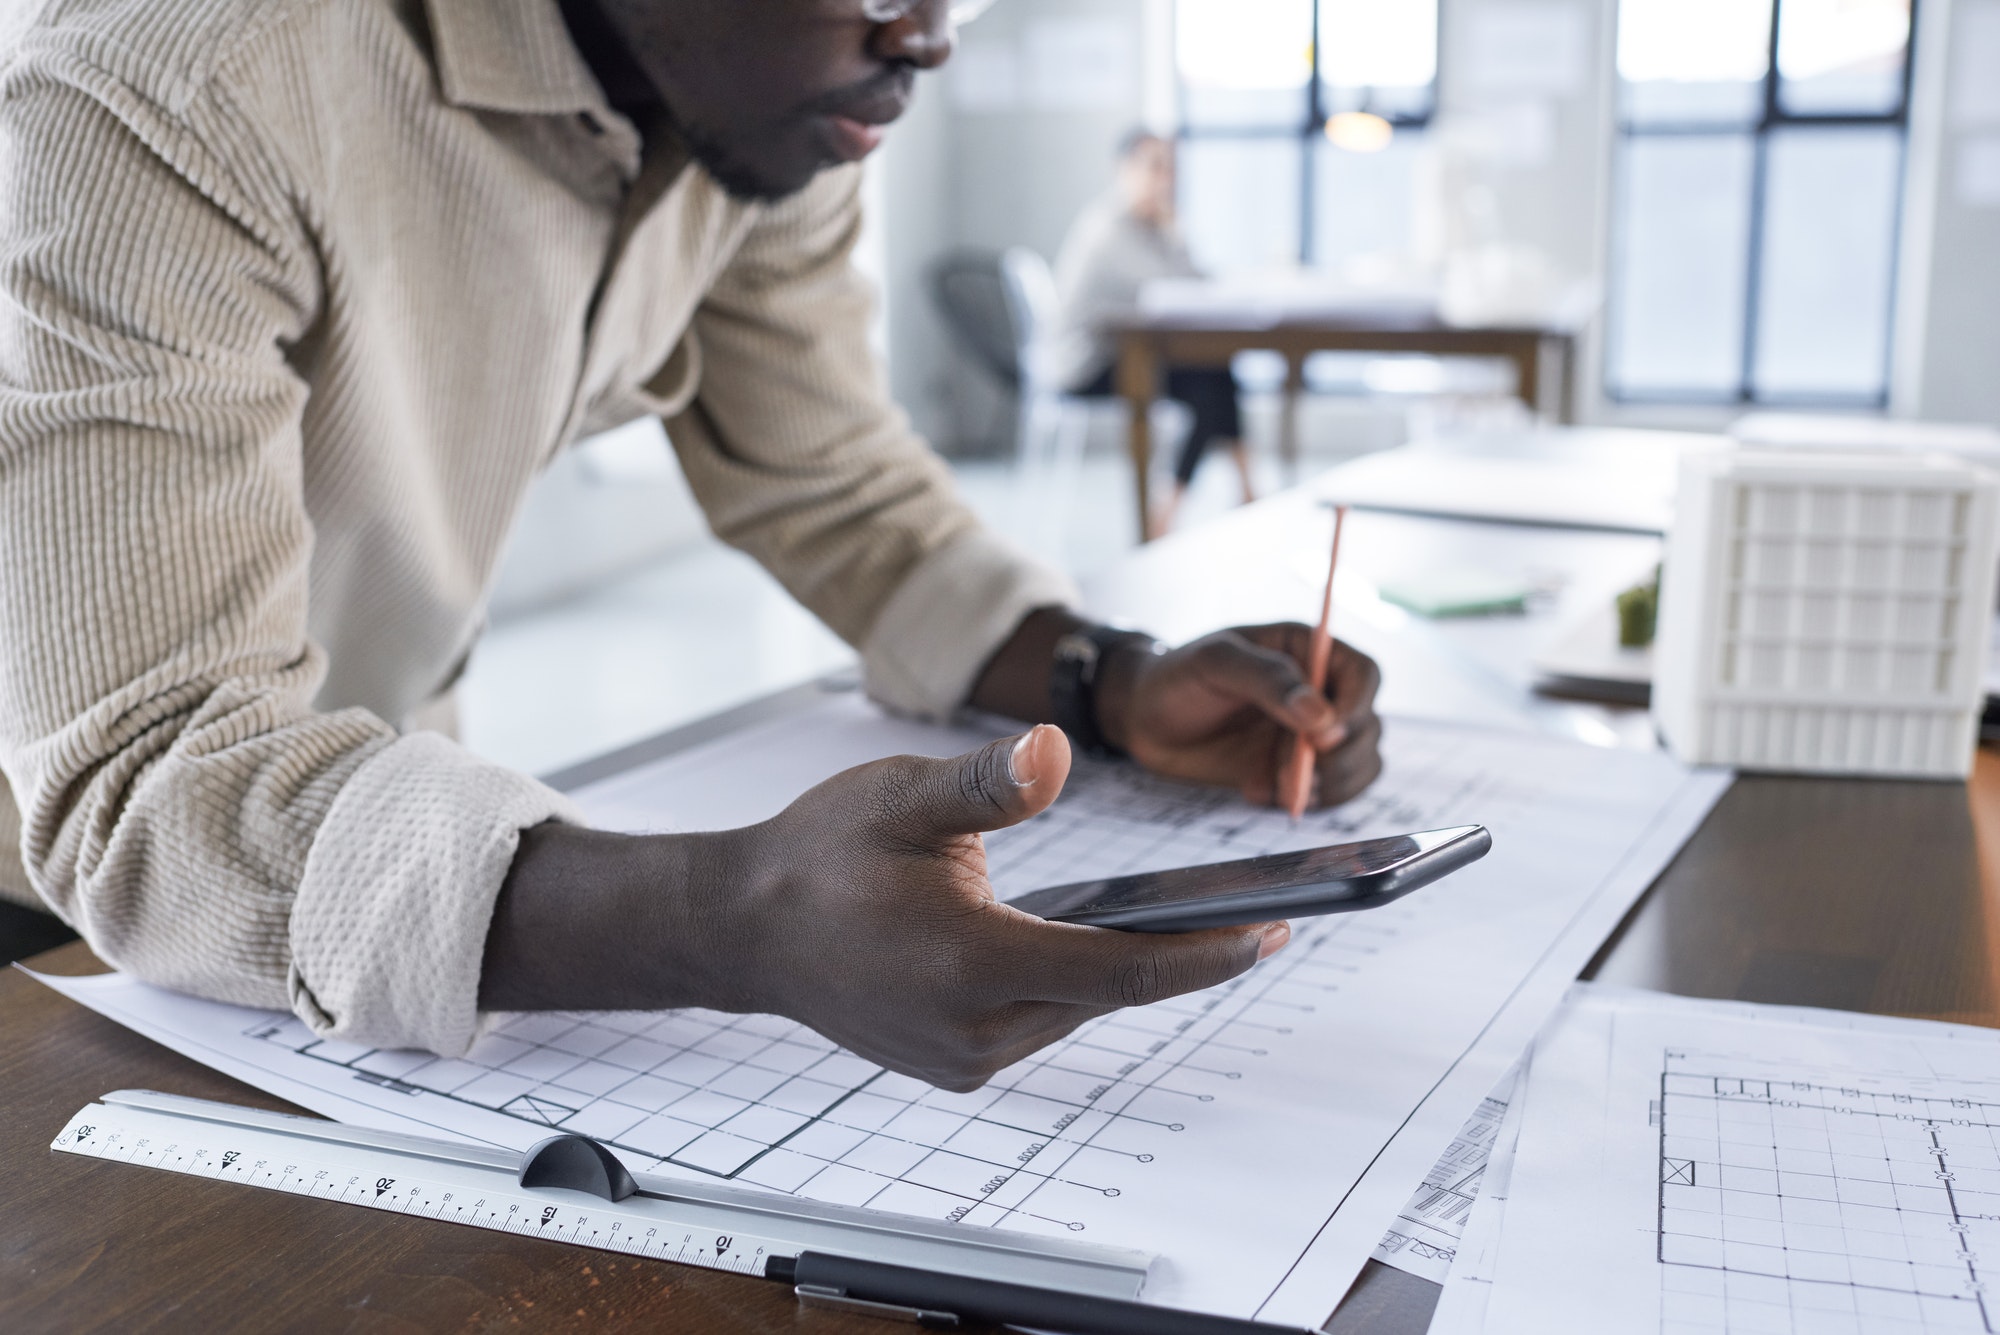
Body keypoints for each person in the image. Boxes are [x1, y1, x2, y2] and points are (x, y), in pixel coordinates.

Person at [0, 0, 1383, 1093]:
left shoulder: (765, 98)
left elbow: (833, 480)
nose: (929, 38)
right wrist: (734, 916)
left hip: (375, 861)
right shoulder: (170, 88)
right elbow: (138, 770)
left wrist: (1103, 679)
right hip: (65, 919)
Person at [1052, 131, 1252, 537]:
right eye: (1154, 167)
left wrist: (1173, 233)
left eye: (1170, 169)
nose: (1164, 179)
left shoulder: (1151, 227)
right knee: (1209, 383)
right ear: (1123, 170)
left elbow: (1196, 282)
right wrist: (1173, 236)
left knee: (1216, 373)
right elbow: (1170, 292)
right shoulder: (1108, 231)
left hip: (1133, 352)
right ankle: (1168, 512)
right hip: (1090, 363)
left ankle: (1236, 490)